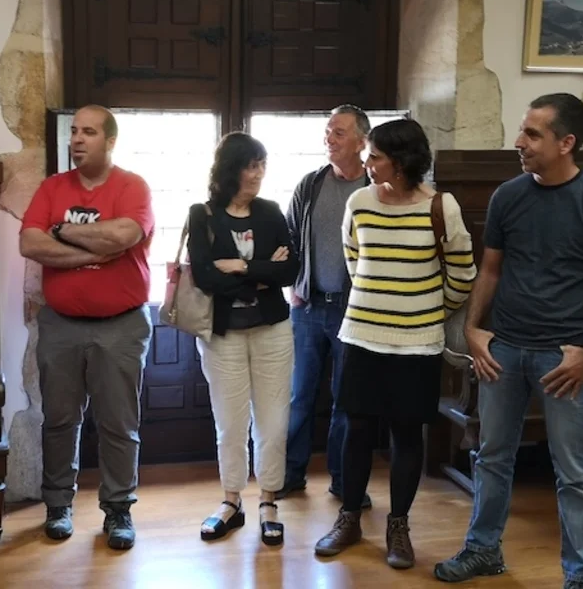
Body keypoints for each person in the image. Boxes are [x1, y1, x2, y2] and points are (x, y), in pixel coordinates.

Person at [434, 93, 583, 589]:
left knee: (575, 473)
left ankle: (581, 575)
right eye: (522, 130)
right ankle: (483, 551)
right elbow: (491, 270)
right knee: (491, 457)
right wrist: (473, 331)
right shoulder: (508, 196)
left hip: (564, 358)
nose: (519, 142)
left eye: (532, 134)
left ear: (566, 143)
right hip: (503, 350)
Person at [314, 119, 476, 569]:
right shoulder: (360, 201)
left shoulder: (442, 206)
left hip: (417, 342)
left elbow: (462, 274)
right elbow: (354, 259)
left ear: (402, 162)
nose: (367, 163)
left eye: (376, 156)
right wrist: (381, 298)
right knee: (356, 430)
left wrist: (426, 310)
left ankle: (398, 527)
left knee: (406, 434)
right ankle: (349, 518)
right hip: (361, 336)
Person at [20, 104, 155, 550]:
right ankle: (58, 504)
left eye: (89, 132)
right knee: (59, 419)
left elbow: (123, 236)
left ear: (110, 140)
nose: (77, 139)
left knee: (118, 423)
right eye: (74, 131)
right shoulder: (52, 188)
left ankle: (118, 509)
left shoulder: (132, 187)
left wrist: (59, 233)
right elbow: (30, 242)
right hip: (60, 324)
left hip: (121, 325)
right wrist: (89, 249)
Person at [186, 133, 298, 544]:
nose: (258, 173)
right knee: (230, 423)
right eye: (251, 165)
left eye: (262, 165)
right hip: (222, 336)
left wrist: (241, 267)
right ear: (230, 169)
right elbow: (204, 276)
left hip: (272, 331)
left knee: (274, 423)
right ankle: (231, 501)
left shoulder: (270, 212)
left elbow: (290, 271)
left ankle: (269, 501)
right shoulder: (202, 214)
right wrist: (262, 273)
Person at [281, 104, 373, 506]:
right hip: (307, 307)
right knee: (298, 395)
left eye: (338, 132)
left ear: (361, 141)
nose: (329, 139)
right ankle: (289, 474)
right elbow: (288, 236)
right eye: (327, 131)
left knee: (346, 399)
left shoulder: (374, 187)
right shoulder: (311, 184)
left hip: (355, 311)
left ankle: (343, 480)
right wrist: (294, 284)